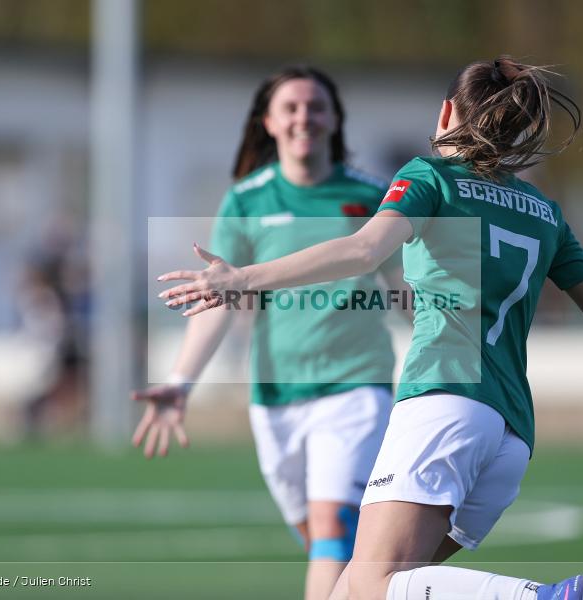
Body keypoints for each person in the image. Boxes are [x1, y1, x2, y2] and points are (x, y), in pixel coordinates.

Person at [158, 56, 583, 600]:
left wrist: (242, 278)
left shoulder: (430, 178)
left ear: (446, 114)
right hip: (512, 434)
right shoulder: (545, 213)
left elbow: (362, 250)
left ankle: (540, 597)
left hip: (445, 403)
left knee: (370, 584)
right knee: (352, 591)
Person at [133, 65, 410, 600]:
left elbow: (407, 293)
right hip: (275, 398)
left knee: (332, 530)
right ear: (270, 122)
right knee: (331, 550)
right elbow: (219, 302)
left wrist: (458, 360)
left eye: (316, 106)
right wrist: (181, 382)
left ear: (335, 119)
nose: (304, 117)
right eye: (291, 107)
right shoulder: (247, 200)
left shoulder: (373, 197)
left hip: (357, 388)